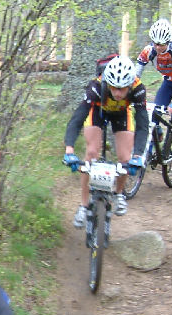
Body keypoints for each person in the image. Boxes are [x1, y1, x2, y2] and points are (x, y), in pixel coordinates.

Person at [63, 55, 149, 228]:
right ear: (107, 83)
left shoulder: (138, 88)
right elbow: (77, 119)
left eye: (122, 89)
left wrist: (138, 155)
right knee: (92, 152)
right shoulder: (95, 87)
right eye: (114, 88)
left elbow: (142, 125)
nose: (117, 93)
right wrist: (69, 150)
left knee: (126, 158)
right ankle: (84, 205)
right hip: (98, 111)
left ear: (130, 85)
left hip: (121, 114)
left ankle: (118, 194)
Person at [134, 18, 172, 160]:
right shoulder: (149, 51)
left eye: (161, 44)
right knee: (154, 113)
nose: (158, 47)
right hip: (168, 81)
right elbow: (136, 74)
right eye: (155, 43)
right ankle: (150, 147)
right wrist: (130, 91)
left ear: (168, 41)